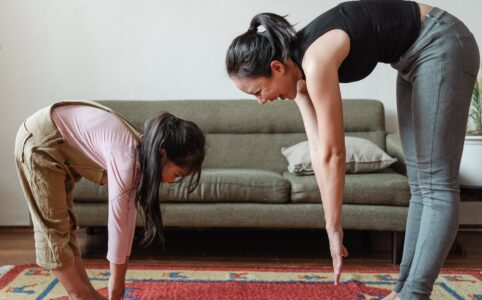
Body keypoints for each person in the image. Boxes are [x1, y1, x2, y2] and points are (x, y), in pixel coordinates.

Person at [225, 1, 479, 299]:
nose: (262, 101)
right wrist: (329, 223)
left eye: (258, 91)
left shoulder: (315, 62)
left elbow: (335, 153)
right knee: (421, 185)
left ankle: (413, 294)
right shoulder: (299, 77)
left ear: (277, 67)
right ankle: (402, 293)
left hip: (442, 42)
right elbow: (319, 151)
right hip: (411, 59)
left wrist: (334, 227)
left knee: (435, 183)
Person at [14, 100, 205, 300]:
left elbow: (127, 219)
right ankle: (79, 295)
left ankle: (87, 294)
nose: (169, 182)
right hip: (40, 141)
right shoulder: (127, 158)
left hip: (58, 143)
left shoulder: (141, 155)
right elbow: (118, 222)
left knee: (66, 225)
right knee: (53, 228)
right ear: (163, 154)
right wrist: (116, 285)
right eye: (176, 175)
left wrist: (117, 284)